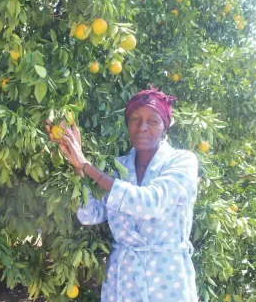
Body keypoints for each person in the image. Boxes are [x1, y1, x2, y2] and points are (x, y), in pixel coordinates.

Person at [45, 86, 199, 302]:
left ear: (165, 127)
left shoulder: (182, 162)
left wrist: (88, 166)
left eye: (152, 121)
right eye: (135, 119)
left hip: (167, 278)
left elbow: (150, 203)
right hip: (123, 278)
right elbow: (89, 215)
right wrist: (78, 167)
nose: (142, 127)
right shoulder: (118, 168)